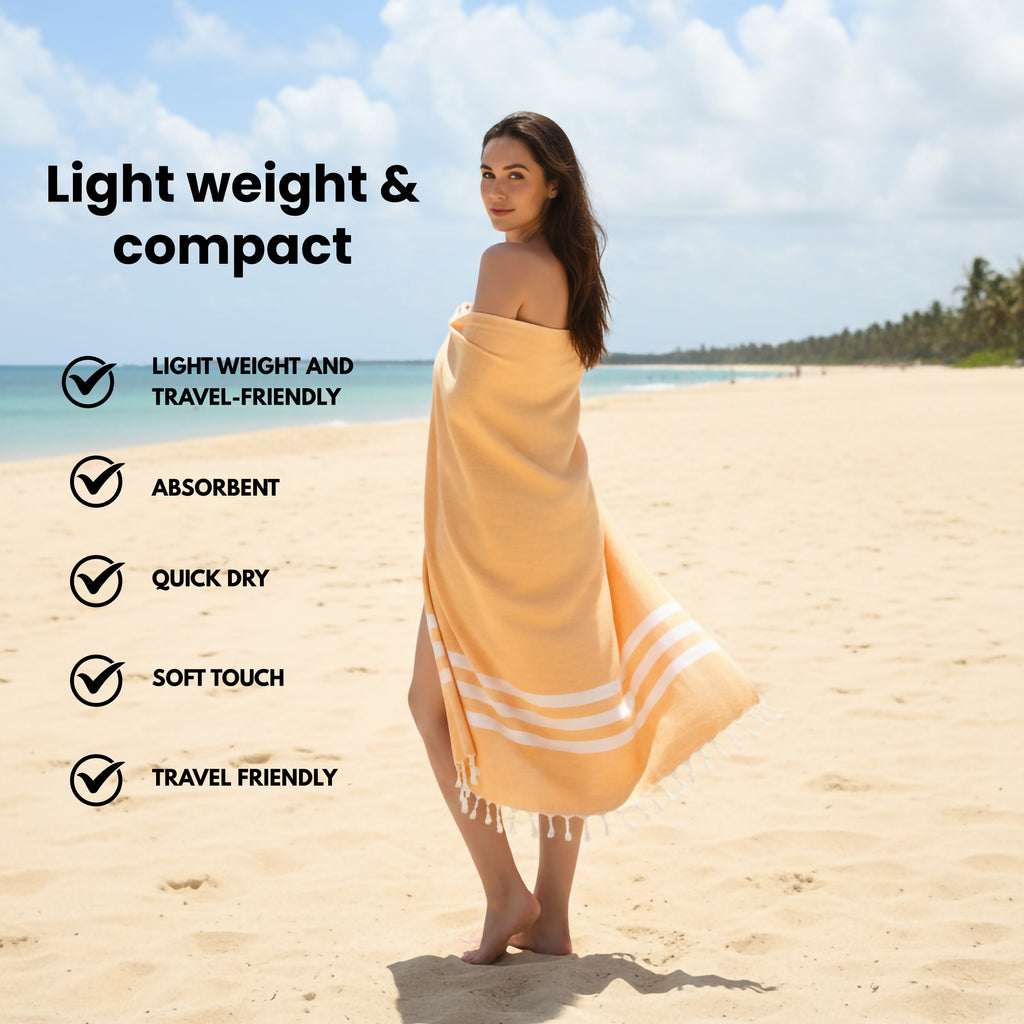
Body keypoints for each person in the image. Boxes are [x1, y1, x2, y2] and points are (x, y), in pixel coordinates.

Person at [408, 112, 760, 966]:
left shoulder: (503, 266)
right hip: (560, 518)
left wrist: (452, 340)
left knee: (432, 705)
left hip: (499, 531)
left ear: (553, 181)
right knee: (556, 719)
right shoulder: (572, 270)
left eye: (514, 175)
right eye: (485, 174)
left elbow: (470, 407)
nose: (495, 192)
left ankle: (505, 895)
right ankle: (553, 917)